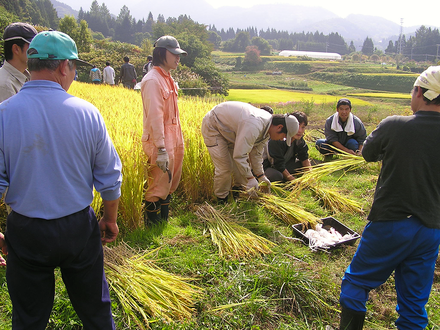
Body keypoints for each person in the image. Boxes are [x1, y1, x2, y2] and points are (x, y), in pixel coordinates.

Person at [0, 30, 122, 329]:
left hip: (26, 229)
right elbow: (109, 176)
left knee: (28, 317)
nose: (74, 74)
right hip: (77, 227)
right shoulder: (87, 113)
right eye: (75, 67)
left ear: (31, 63)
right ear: (64, 66)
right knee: (95, 310)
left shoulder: (3, 114)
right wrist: (109, 219)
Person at [338, 66, 440, 330]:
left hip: (391, 222)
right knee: (414, 305)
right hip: (431, 228)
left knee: (356, 284)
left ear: (419, 91)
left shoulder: (395, 125)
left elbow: (368, 153)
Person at [201, 101, 299, 202]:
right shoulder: (254, 125)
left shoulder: (267, 129)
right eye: (284, 136)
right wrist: (251, 178)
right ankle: (221, 199)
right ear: (279, 127)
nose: (281, 139)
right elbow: (240, 156)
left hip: (230, 131)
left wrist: (261, 176)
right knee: (225, 168)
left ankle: (238, 192)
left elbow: (256, 154)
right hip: (214, 126)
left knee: (240, 169)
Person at [140, 36, 187, 225]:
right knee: (158, 182)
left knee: (171, 179)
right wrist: (160, 148)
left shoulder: (168, 78)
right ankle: (152, 226)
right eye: (174, 54)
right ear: (161, 53)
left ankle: (164, 223)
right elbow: (155, 116)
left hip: (174, 135)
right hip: (160, 138)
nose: (178, 58)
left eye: (179, 54)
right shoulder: (153, 80)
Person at [263, 111, 311, 182]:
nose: (300, 131)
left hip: (285, 163)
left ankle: (286, 175)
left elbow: (304, 157)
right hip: (269, 166)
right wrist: (293, 180)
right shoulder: (278, 137)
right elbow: (278, 164)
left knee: (302, 165)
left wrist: (310, 175)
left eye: (303, 127)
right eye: (298, 127)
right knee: (277, 176)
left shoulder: (299, 140)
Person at [0, 22, 37, 102]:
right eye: (32, 47)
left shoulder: (27, 77)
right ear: (16, 49)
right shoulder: (5, 86)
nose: (37, 51)